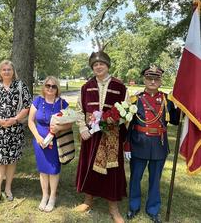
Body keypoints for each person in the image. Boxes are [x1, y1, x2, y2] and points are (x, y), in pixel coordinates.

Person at [75, 50, 128, 223]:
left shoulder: (120, 87)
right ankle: (88, 200)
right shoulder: (86, 87)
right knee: (90, 167)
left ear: (107, 66)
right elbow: (79, 110)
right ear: (92, 67)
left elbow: (127, 113)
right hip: (91, 135)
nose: (98, 67)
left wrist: (116, 122)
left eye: (101, 64)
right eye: (95, 64)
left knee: (111, 171)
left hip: (111, 135)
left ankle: (113, 207)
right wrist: (82, 128)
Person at [125, 65, 180, 223]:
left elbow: (175, 121)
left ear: (161, 81)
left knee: (155, 180)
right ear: (144, 79)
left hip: (158, 144)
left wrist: (178, 107)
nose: (153, 81)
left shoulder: (166, 99)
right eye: (149, 78)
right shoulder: (136, 99)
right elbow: (129, 124)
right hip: (138, 143)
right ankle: (134, 207)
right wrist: (127, 146)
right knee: (136, 177)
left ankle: (153, 209)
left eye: (156, 79)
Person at [0, 60, 32, 210]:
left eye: (9, 69)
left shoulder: (20, 86)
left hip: (14, 129)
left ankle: (8, 188)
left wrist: (15, 119)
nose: (6, 72)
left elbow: (27, 105)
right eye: (3, 69)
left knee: (11, 159)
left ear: (13, 71)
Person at [28, 76, 71, 212]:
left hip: (55, 140)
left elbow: (70, 123)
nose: (50, 88)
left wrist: (59, 128)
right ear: (44, 87)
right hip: (39, 141)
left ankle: (52, 197)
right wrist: (38, 137)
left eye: (53, 86)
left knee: (53, 170)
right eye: (48, 86)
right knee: (43, 170)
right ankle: (44, 196)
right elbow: (30, 121)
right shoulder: (38, 101)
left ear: (57, 88)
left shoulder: (62, 104)